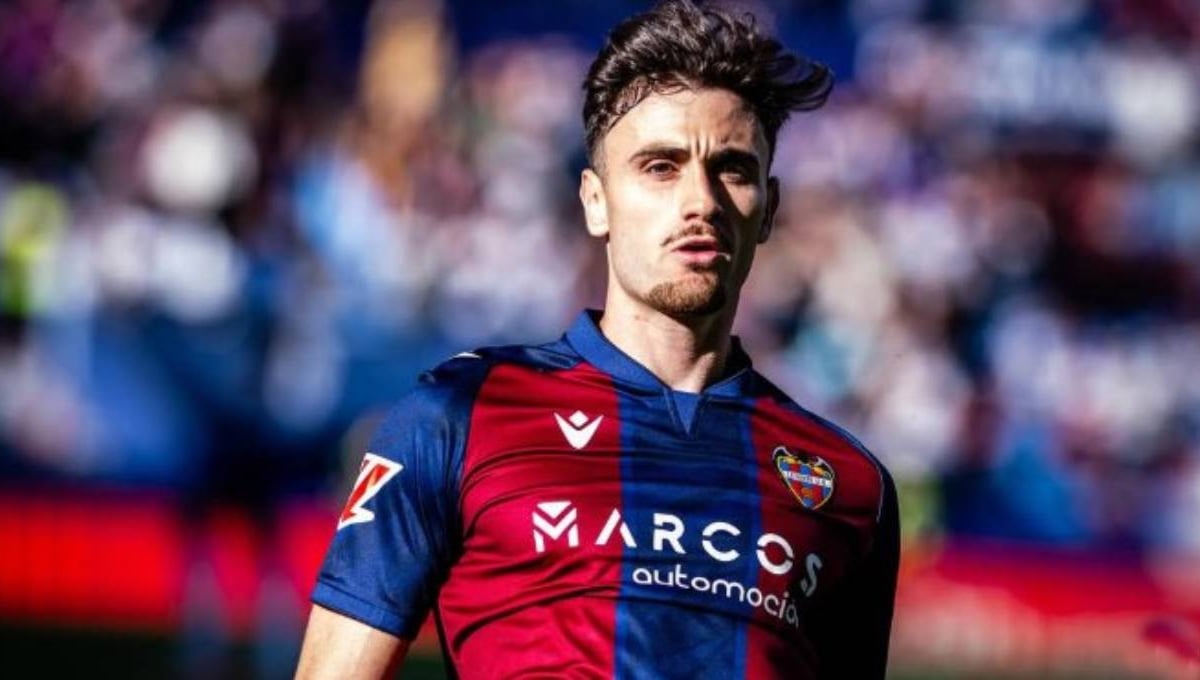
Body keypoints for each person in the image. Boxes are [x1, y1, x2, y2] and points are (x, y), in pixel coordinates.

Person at [294, 1, 899, 678]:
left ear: (767, 209)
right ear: (595, 201)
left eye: (731, 168)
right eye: (661, 167)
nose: (700, 202)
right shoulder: (458, 414)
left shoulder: (849, 483)